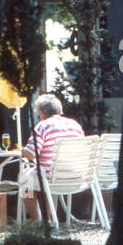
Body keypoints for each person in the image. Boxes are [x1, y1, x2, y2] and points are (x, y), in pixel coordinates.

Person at [19, 92, 84, 220]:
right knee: (42, 173)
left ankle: (38, 221)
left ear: (42, 111)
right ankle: (48, 219)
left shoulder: (42, 126)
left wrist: (22, 151)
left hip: (52, 178)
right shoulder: (75, 125)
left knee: (25, 178)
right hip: (77, 176)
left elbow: (31, 155)